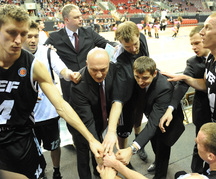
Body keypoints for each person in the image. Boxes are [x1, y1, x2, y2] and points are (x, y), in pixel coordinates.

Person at [0, 4, 103, 179]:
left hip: (20, 143)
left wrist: (91, 138)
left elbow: (61, 105)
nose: (19, 40)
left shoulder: (34, 66)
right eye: (12, 33)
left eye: (23, 34)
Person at [22, 20, 81, 179]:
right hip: (26, 117)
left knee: (54, 146)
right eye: (29, 36)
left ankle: (56, 171)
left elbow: (63, 70)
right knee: (31, 150)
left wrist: (70, 75)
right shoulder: (15, 56)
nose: (33, 40)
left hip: (48, 113)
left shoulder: (47, 53)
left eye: (35, 36)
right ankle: (39, 172)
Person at [160, 12, 216, 131]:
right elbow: (206, 85)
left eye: (207, 28)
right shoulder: (210, 57)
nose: (202, 32)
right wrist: (185, 77)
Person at [115, 56, 184, 179]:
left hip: (166, 121)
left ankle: (160, 175)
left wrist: (132, 149)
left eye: (145, 78)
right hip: (152, 113)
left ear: (154, 73)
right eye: (137, 77)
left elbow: (153, 124)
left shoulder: (164, 87)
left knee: (162, 148)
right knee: (153, 143)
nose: (140, 81)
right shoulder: (136, 77)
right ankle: (157, 163)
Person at [159, 25, 211, 175]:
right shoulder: (193, 62)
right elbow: (182, 85)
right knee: (200, 144)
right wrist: (170, 109)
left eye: (197, 43)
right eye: (192, 44)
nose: (194, 47)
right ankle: (195, 172)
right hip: (203, 112)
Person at [45, 4, 117, 102]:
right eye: (76, 17)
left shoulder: (89, 32)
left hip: (90, 82)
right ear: (66, 20)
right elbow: (43, 53)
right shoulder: (55, 37)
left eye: (80, 16)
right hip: (69, 85)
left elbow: (106, 44)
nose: (81, 19)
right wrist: (48, 50)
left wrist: (117, 45)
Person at [103, 21, 149, 162]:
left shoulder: (142, 39)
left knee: (138, 119)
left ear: (138, 35)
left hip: (140, 90)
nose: (134, 48)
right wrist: (111, 130)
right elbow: (118, 100)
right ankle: (122, 154)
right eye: (127, 46)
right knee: (123, 130)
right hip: (125, 96)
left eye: (135, 44)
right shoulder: (120, 61)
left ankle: (139, 144)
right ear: (121, 43)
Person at [68, 48, 117, 179]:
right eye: (94, 70)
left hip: (100, 120)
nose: (99, 75)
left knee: (98, 149)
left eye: (103, 69)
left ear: (109, 64)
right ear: (87, 64)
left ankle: (98, 172)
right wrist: (95, 143)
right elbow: (87, 120)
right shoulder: (78, 85)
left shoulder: (113, 69)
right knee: (84, 155)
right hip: (81, 126)